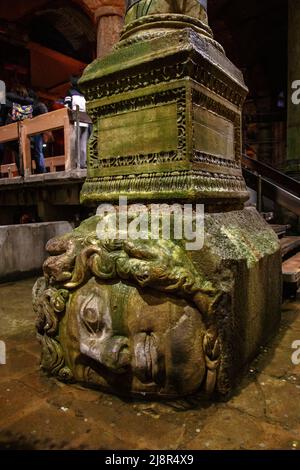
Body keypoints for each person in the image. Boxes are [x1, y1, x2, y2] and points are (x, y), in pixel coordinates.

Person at [64, 75, 89, 169]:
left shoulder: (70, 92)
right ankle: (80, 164)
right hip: (81, 120)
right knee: (80, 144)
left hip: (79, 121)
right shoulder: (83, 94)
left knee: (78, 144)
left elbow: (66, 106)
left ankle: (79, 164)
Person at [28, 90, 48, 174]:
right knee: (38, 151)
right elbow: (46, 115)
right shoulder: (40, 105)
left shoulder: (34, 106)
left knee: (37, 152)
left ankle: (41, 170)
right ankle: (41, 170)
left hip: (35, 131)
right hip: (39, 131)